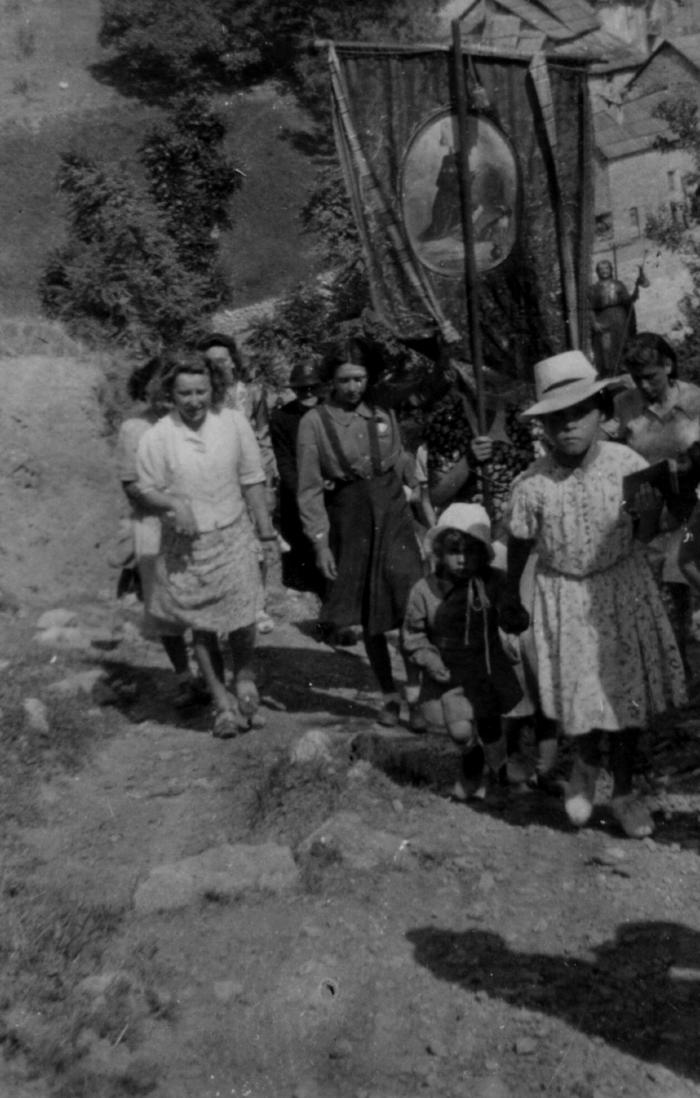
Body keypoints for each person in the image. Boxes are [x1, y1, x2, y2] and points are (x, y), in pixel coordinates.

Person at [505, 350, 686, 839]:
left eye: (578, 413)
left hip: (621, 588)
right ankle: (585, 765)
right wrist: (510, 596)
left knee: (625, 695)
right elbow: (520, 541)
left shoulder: (627, 464)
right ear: (543, 427)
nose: (568, 426)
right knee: (580, 691)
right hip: (564, 595)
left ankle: (624, 790)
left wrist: (651, 509)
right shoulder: (534, 482)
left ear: (600, 413)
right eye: (555, 419)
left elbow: (648, 531)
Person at [136, 355, 278, 739]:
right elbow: (145, 489)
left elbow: (252, 479)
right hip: (187, 546)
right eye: (185, 393)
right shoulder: (158, 436)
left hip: (233, 532)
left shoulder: (233, 423)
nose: (194, 401)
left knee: (243, 617)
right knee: (202, 625)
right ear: (170, 393)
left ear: (214, 388)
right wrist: (174, 503)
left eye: (201, 391)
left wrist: (265, 531)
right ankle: (222, 706)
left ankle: (244, 676)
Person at [296, 334, 423, 726]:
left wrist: (418, 491)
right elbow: (309, 489)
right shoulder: (314, 422)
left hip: (394, 513)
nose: (353, 387)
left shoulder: (383, 412)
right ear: (331, 380)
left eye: (360, 378)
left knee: (409, 601)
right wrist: (321, 543)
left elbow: (400, 459)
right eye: (345, 380)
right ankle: (389, 695)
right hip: (351, 517)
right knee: (372, 611)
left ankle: (416, 694)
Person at [402, 503, 523, 800]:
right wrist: (429, 659)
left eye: (470, 553)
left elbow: (512, 614)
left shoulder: (492, 582)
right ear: (440, 552)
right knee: (460, 730)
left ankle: (498, 774)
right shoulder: (424, 590)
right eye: (454, 552)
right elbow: (413, 634)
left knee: (491, 725)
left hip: (486, 667)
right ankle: (472, 761)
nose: (462, 560)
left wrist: (511, 621)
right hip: (449, 671)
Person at [114, 359, 206, 708]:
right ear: (146, 387)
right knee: (166, 607)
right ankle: (184, 677)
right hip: (155, 526)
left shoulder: (194, 422)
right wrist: (169, 505)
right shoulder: (134, 428)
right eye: (158, 385)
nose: (165, 394)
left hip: (200, 523)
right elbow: (131, 485)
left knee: (203, 600)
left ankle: (208, 673)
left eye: (170, 386)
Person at [612, 332, 700, 669]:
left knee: (688, 592)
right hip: (650, 514)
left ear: (668, 365)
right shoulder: (625, 405)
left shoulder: (695, 400)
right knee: (660, 602)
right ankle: (676, 672)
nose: (645, 386)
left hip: (692, 511)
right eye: (637, 379)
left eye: (651, 377)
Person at [197, 332, 277, 633]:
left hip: (251, 478)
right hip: (214, 482)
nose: (217, 367)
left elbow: (263, 437)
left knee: (257, 540)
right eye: (210, 362)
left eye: (222, 360)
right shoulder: (200, 397)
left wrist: (268, 483)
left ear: (233, 361)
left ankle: (257, 606)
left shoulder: (252, 393)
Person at [269, 362, 325, 597]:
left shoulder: (329, 412)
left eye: (312, 387)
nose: (308, 393)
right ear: (294, 390)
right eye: (302, 388)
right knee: (299, 541)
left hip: (328, 485)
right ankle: (302, 588)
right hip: (298, 488)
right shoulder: (282, 417)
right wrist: (301, 491)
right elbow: (284, 460)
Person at [589, 259, 642, 376]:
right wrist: (594, 323)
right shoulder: (593, 289)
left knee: (622, 342)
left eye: (606, 268)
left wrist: (634, 294)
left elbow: (627, 301)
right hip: (603, 318)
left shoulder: (618, 285)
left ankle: (625, 368)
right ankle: (610, 371)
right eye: (601, 269)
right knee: (606, 346)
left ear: (611, 270)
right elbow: (590, 308)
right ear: (597, 272)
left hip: (619, 318)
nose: (604, 271)